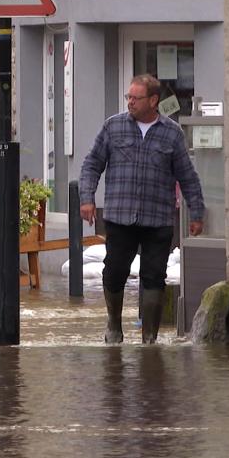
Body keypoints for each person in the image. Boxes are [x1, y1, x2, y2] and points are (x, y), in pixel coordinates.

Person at [79, 74, 205, 345]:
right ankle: (114, 324)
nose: (130, 102)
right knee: (114, 271)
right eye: (128, 97)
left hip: (157, 218)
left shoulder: (171, 133)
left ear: (153, 100)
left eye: (135, 98)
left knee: (154, 276)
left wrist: (197, 212)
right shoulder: (113, 128)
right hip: (120, 216)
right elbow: (92, 164)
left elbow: (187, 176)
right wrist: (87, 198)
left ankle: (150, 338)